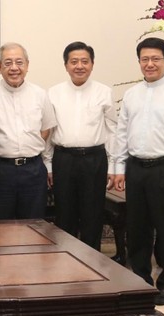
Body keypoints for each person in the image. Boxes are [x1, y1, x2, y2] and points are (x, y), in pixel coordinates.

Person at [110, 37, 164, 306]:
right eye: (144, 59)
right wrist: (119, 168)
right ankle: (141, 280)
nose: (150, 64)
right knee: (137, 227)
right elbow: (122, 133)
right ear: (139, 62)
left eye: (155, 59)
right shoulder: (132, 94)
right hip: (136, 168)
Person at [45, 41, 116, 250]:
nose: (79, 66)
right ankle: (66, 263)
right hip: (63, 159)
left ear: (92, 64)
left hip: (95, 159)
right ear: (66, 65)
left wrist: (113, 166)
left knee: (92, 215)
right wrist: (48, 165)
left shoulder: (104, 92)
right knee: (64, 214)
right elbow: (48, 133)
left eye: (85, 61)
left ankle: (93, 264)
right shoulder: (53, 93)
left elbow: (112, 130)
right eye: (74, 61)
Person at [0, 42, 56, 220]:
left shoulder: (40, 94)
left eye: (19, 62)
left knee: (34, 226)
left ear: (27, 65)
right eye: (8, 63)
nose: (14, 68)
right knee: (1, 229)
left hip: (33, 170)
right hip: (1, 171)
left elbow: (46, 130)